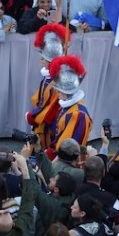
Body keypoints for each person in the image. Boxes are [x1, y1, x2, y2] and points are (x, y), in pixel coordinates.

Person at [27, 23, 67, 156]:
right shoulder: (48, 78)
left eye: (44, 58)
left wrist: (33, 116)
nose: (41, 60)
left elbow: (51, 110)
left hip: (50, 125)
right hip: (42, 121)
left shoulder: (56, 82)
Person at [49, 55, 92, 150]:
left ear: (68, 92)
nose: (57, 93)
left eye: (60, 91)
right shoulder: (66, 106)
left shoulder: (78, 114)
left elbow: (68, 147)